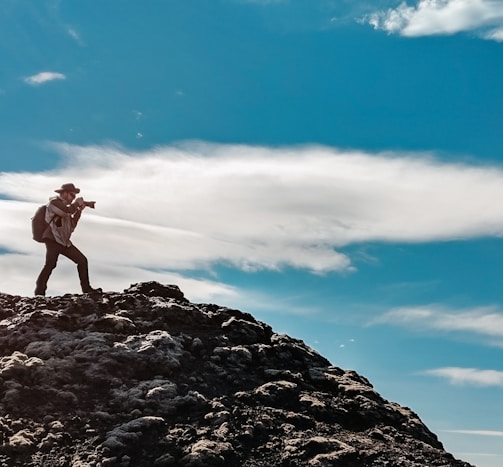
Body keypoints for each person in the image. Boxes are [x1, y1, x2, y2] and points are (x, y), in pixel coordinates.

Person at [35, 183, 100, 296]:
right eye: (72, 195)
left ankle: (87, 289)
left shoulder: (68, 207)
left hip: (64, 242)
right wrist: (77, 204)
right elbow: (66, 211)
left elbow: (72, 226)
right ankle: (39, 293)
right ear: (63, 193)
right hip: (53, 239)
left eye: (74, 196)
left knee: (82, 260)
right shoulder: (54, 203)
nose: (73, 197)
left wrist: (79, 210)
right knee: (50, 264)